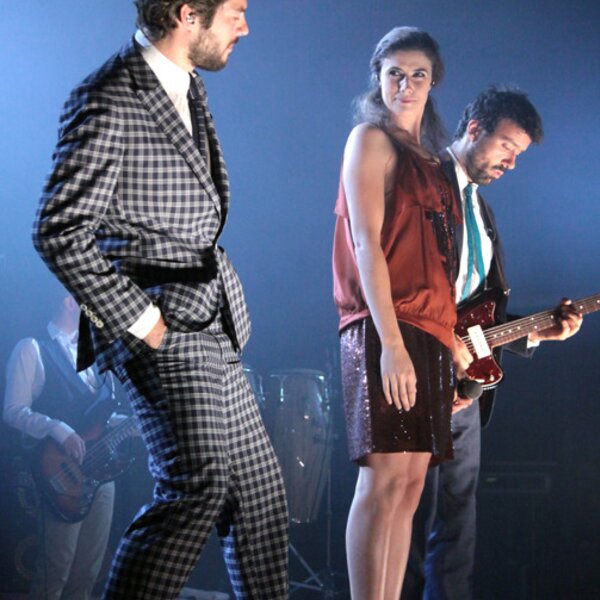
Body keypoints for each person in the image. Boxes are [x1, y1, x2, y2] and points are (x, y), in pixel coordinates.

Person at [32, 1, 288, 599]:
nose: (245, 26)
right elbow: (58, 231)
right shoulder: (107, 96)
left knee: (260, 495)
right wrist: (142, 319)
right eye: (236, 11)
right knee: (197, 485)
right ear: (187, 14)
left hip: (213, 316)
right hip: (161, 320)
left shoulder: (187, 85)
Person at [402, 86, 583, 600]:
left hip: (465, 389)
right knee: (409, 522)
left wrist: (538, 331)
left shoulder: (481, 211)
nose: (511, 162)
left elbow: (479, 312)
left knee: (458, 526)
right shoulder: (422, 185)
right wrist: (443, 348)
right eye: (507, 146)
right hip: (418, 376)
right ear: (475, 129)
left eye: (518, 154)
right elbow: (405, 287)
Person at [332, 27, 472, 599]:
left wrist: (452, 341)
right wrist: (390, 343)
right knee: (383, 480)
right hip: (384, 325)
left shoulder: (433, 162)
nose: (405, 84)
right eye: (394, 73)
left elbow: (441, 263)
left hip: (431, 330)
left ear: (433, 81)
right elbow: (366, 242)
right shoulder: (369, 139)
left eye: (418, 74)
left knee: (411, 486)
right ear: (379, 77)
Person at [3, 287, 118, 600]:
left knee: (88, 572)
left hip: (101, 471)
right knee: (55, 571)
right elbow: (13, 410)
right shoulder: (32, 348)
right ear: (69, 302)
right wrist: (56, 428)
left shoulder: (98, 353)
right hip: (60, 472)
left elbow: (103, 416)